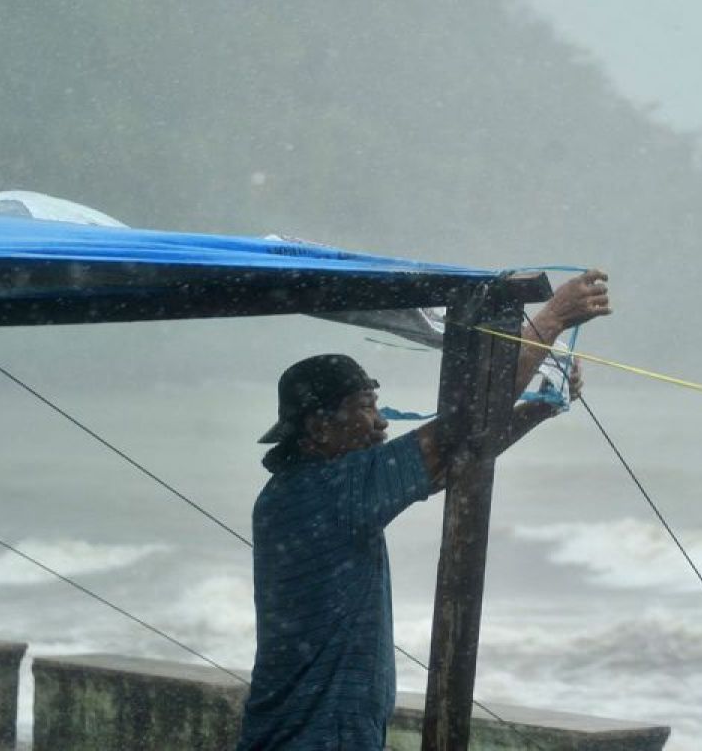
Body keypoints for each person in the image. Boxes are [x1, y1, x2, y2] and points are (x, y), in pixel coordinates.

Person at [236, 270, 611, 751]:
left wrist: (539, 408)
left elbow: (455, 455)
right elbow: (456, 434)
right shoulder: (326, 492)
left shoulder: (307, 489)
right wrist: (551, 319)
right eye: (366, 407)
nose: (380, 422)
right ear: (318, 427)